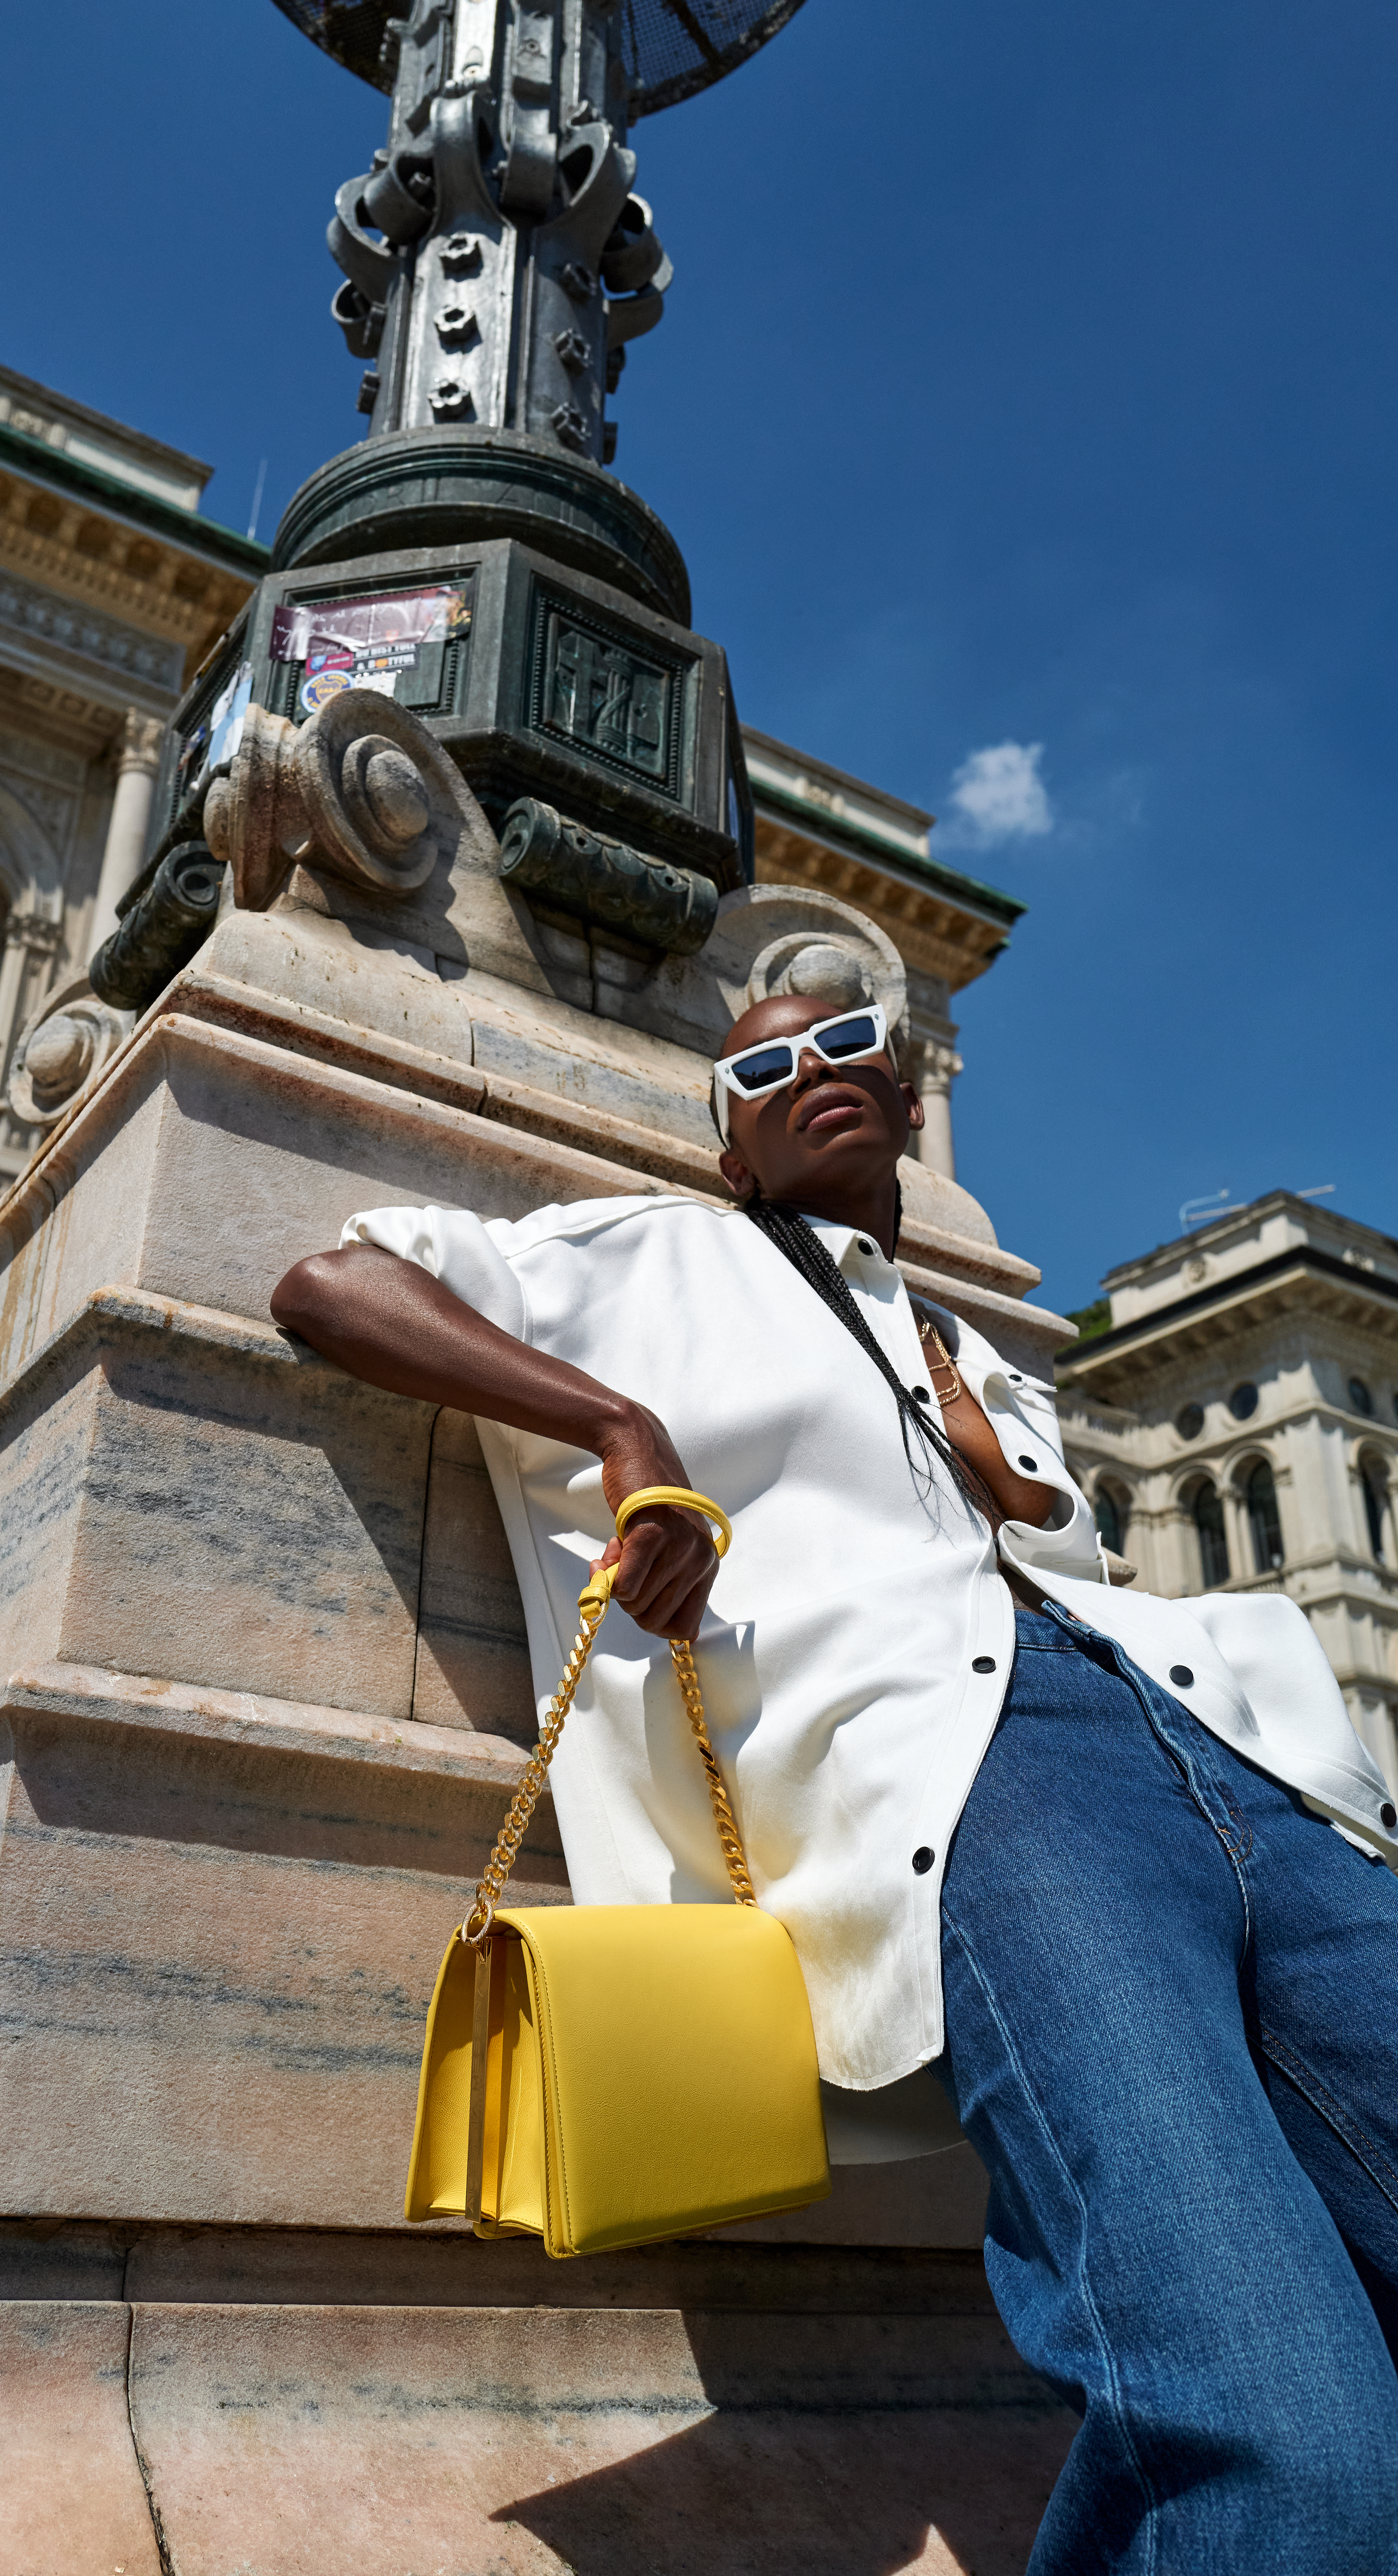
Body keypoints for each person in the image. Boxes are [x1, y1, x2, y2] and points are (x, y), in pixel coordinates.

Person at [272, 989, 1398, 2574]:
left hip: (1245, 1762)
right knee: (1292, 2441)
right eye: (758, 1063)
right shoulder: (658, 1258)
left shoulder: (984, 1364)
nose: (809, 1069)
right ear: (726, 1142)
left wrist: (998, 1458)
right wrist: (617, 1422)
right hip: (985, 1794)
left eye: (846, 1035)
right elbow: (330, 1284)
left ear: (906, 1085)